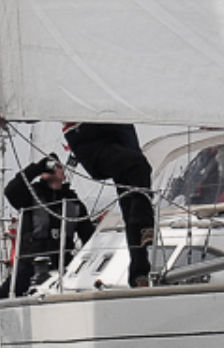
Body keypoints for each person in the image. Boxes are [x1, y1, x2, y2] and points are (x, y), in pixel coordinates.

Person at [62, 122, 155, 286]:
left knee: (130, 201)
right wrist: (8, 112)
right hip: (90, 135)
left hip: (120, 130)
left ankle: (139, 274)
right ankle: (144, 226)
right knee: (138, 166)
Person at [0, 155, 96, 298]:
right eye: (51, 166)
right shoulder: (30, 196)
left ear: (63, 174)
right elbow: (10, 191)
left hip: (63, 266)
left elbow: (89, 237)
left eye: (57, 167)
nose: (53, 170)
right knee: (6, 291)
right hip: (30, 266)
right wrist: (37, 168)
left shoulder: (74, 203)